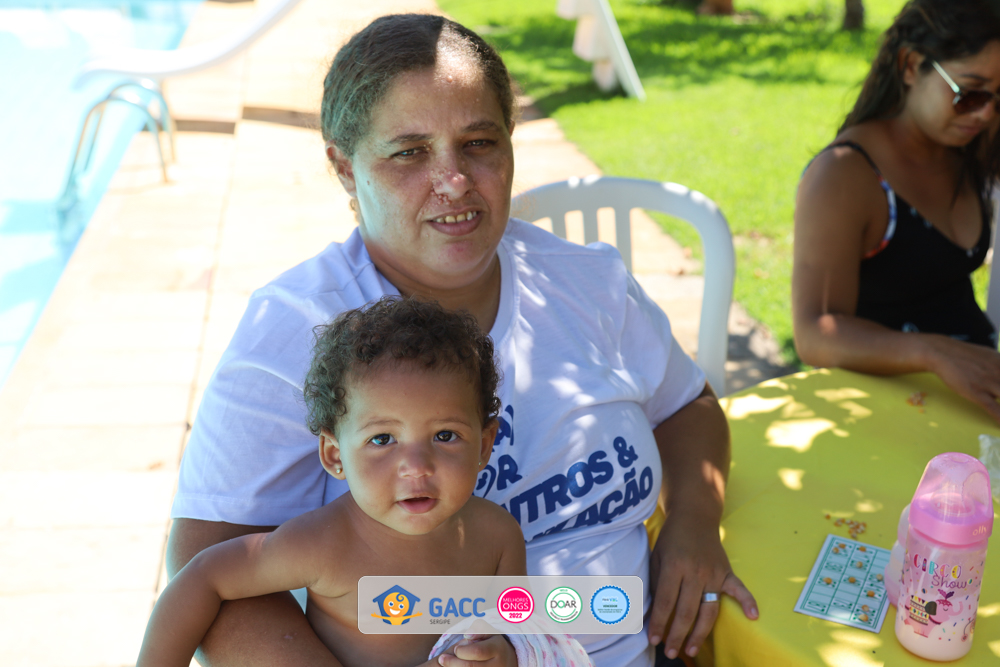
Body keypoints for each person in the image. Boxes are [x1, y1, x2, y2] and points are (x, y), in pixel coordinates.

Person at [168, 14, 758, 667]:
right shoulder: (293, 332)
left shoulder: (587, 283)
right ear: (344, 167)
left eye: (479, 142)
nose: (454, 180)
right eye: (409, 152)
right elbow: (208, 565)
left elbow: (686, 404)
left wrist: (693, 521)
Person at [140, 297, 543, 666]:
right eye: (382, 439)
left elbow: (519, 629)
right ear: (335, 456)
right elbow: (204, 577)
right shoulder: (323, 544)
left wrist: (505, 653)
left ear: (484, 445)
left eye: (445, 435)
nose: (416, 466)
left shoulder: (497, 537)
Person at [793, 0, 1000, 423]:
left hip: (969, 403)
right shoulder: (845, 174)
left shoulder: (968, 147)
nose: (986, 113)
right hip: (880, 412)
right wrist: (935, 352)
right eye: (970, 93)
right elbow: (815, 331)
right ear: (910, 66)